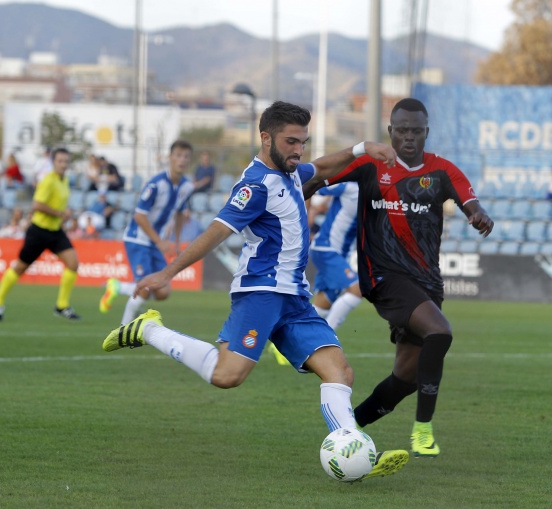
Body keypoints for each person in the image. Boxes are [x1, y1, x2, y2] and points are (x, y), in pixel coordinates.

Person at [98, 101, 408, 480]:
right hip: (260, 292)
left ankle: (356, 453)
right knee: (227, 376)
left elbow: (325, 167)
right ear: (266, 138)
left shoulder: (291, 172)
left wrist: (362, 149)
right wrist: (168, 272)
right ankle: (149, 329)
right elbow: (216, 231)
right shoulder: (255, 185)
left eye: (303, 142)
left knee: (339, 372)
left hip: (295, 298)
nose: (298, 150)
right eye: (291, 141)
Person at [303, 97, 494, 459]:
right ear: (390, 132)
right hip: (383, 276)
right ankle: (423, 430)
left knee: (406, 379)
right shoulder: (370, 165)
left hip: (426, 284)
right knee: (440, 331)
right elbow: (319, 177)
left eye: (416, 131)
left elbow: (471, 201)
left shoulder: (441, 170)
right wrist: (300, 194)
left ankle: (348, 431)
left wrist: (479, 214)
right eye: (402, 130)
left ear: (426, 132)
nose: (409, 137)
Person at [99, 140, 195, 324]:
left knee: (163, 291)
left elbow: (180, 214)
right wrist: (160, 242)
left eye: (186, 157)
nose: (182, 160)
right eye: (178, 155)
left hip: (156, 242)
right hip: (138, 239)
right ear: (170, 158)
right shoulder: (155, 185)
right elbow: (139, 216)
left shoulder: (187, 187)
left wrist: (175, 243)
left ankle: (118, 287)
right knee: (145, 287)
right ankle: (124, 328)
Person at [0, 147, 81, 322]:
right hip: (38, 231)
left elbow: (58, 205)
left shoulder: (65, 180)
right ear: (53, 162)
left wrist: (64, 213)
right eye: (60, 161)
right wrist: (60, 213)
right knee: (20, 268)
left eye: (66, 161)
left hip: (55, 231)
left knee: (73, 263)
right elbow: (37, 205)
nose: (63, 164)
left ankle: (62, 306)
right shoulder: (48, 180)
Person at [308, 182, 362, 330]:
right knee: (357, 290)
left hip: (341, 253)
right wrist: (306, 220)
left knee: (324, 302)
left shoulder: (378, 192)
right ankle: (326, 339)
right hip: (326, 247)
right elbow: (308, 185)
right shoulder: (349, 186)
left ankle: (287, 342)